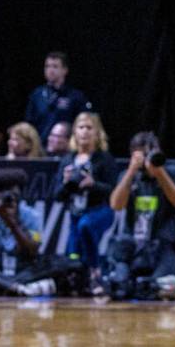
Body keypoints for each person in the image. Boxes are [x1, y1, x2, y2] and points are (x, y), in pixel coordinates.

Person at [106, 132, 175, 300]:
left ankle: (153, 284)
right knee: (119, 286)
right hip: (133, 244)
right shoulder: (128, 176)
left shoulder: (173, 172)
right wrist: (131, 170)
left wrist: (160, 173)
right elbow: (116, 204)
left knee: (154, 287)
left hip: (162, 245)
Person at [53, 112, 118, 278]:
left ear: (97, 133)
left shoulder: (104, 159)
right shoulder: (68, 159)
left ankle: (95, 270)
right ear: (75, 132)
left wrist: (93, 184)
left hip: (100, 211)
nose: (85, 131)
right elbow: (57, 196)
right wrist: (67, 183)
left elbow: (113, 191)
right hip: (76, 213)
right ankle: (82, 279)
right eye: (81, 127)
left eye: (89, 127)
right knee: (72, 256)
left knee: (86, 226)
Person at [0, 168, 41, 295]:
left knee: (51, 264)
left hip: (21, 269)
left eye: (13, 195)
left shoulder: (31, 215)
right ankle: (15, 288)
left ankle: (0, 287)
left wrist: (12, 222)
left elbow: (32, 252)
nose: (8, 199)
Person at [24, 51, 91, 142]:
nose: (50, 70)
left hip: (66, 149)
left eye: (55, 66)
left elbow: (84, 123)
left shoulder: (75, 96)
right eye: (47, 66)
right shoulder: (37, 94)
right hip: (40, 149)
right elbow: (29, 124)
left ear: (65, 70)